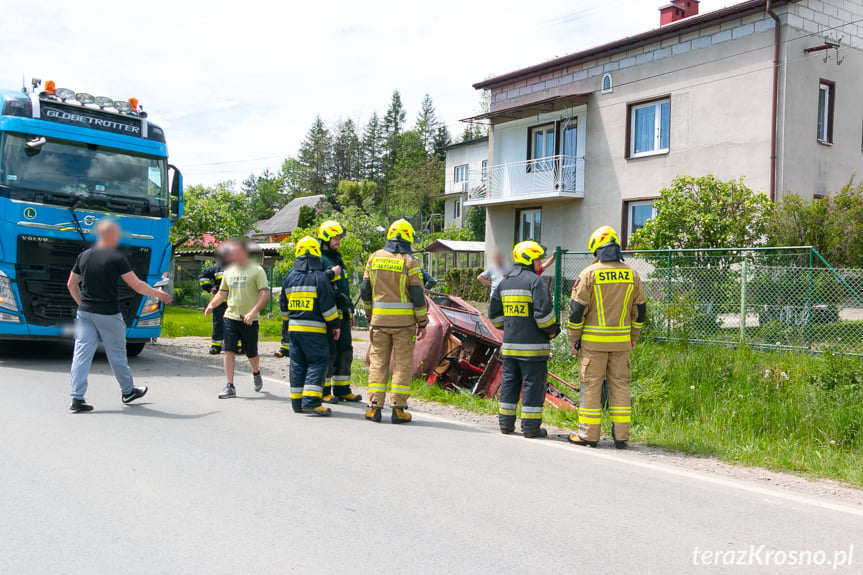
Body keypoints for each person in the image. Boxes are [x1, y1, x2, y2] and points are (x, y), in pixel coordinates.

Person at [66, 220, 172, 412]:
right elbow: (137, 285)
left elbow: (71, 284)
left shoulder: (84, 256)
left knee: (81, 354)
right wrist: (159, 294)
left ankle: (77, 397)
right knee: (116, 353)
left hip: (85, 313)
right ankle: (127, 391)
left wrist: (81, 303)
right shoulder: (116, 258)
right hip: (108, 313)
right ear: (111, 236)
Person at [567, 226, 646, 449]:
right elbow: (640, 310)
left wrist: (574, 338)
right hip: (622, 343)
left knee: (591, 386)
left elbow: (576, 310)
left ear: (596, 250)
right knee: (620, 386)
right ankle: (621, 437)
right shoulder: (632, 274)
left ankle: (588, 435)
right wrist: (634, 335)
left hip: (593, 344)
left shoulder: (588, 274)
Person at [488, 241, 560, 438]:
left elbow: (494, 316)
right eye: (538, 259)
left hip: (510, 348)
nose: (540, 263)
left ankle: (506, 425)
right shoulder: (536, 282)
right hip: (533, 349)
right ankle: (530, 428)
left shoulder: (504, 282)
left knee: (509, 384)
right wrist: (553, 331)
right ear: (529, 259)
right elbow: (544, 316)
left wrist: (510, 326)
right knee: (532, 386)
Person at [360, 219, 428, 424]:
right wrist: (422, 322)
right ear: (408, 238)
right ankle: (398, 409)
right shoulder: (410, 261)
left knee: (378, 363)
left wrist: (370, 314)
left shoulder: (374, 258)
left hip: (379, 323)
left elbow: (365, 290)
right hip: (404, 325)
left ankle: (374, 407)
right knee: (402, 364)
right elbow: (417, 295)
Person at [280, 236, 341, 416]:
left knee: (297, 364)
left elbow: (283, 306)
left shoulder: (289, 277)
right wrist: (335, 325)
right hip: (314, 331)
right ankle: (312, 401)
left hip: (294, 330)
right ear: (316, 253)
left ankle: (297, 402)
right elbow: (328, 307)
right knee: (317, 361)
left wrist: (288, 323)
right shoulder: (319, 278)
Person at [204, 239, 269, 399]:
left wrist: (253, 312)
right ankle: (229, 385)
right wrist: (211, 305)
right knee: (228, 350)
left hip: (249, 319)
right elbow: (222, 293)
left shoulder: (257, 270)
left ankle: (256, 372)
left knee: (251, 352)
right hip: (231, 316)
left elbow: (264, 294)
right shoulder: (228, 271)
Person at [317, 220, 362, 403]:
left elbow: (343, 289)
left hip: (342, 315)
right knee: (330, 353)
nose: (338, 241)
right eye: (335, 238)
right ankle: (324, 391)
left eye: (339, 238)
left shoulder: (337, 259)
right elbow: (319, 285)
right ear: (326, 238)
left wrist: (350, 311)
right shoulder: (320, 260)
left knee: (345, 352)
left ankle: (343, 389)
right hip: (328, 317)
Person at [198, 244, 232, 355]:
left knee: (237, 323)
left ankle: (238, 346)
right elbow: (202, 277)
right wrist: (209, 288)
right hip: (220, 301)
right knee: (218, 322)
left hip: (235, 301)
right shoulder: (217, 267)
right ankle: (216, 345)